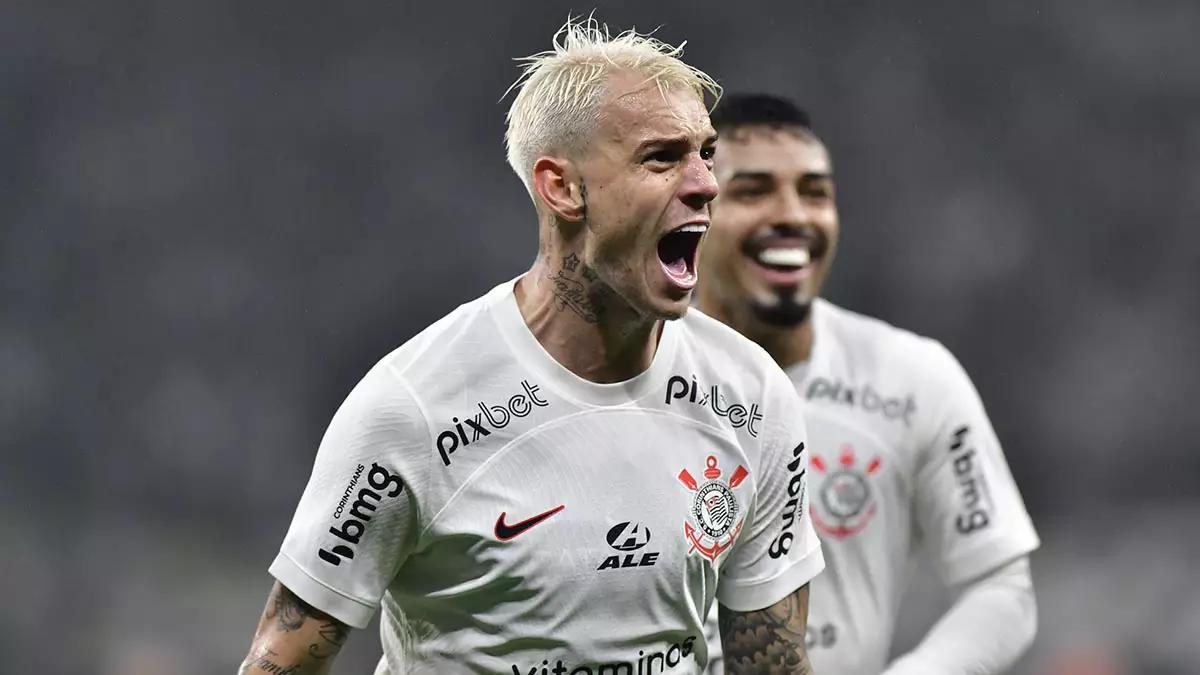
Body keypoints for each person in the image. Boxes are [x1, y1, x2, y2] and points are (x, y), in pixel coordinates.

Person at [238, 24, 825, 675]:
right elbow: (281, 659)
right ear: (562, 188)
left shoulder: (752, 396)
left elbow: (771, 661)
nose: (706, 183)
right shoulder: (412, 408)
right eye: (662, 158)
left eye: (706, 154)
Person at [696, 93, 1041, 675]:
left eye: (815, 193)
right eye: (753, 191)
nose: (793, 216)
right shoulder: (630, 376)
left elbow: (1001, 586)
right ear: (694, 211)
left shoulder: (912, 378)